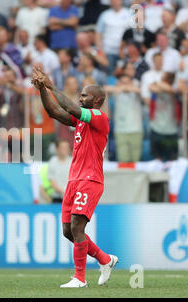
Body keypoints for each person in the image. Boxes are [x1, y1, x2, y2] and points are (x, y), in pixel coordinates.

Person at [31, 66, 118, 288]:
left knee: (78, 228)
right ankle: (105, 260)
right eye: (80, 94)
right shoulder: (82, 121)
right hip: (74, 180)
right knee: (68, 231)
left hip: (90, 180)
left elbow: (68, 106)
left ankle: (79, 278)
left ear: (97, 101)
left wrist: (52, 86)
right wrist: (42, 89)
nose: (80, 98)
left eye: (85, 95)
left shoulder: (100, 117)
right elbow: (54, 112)